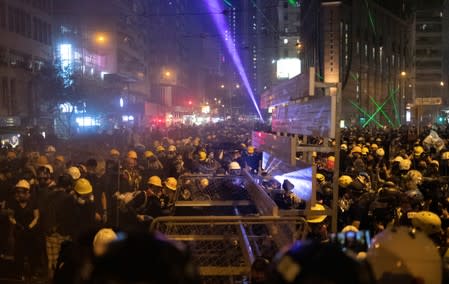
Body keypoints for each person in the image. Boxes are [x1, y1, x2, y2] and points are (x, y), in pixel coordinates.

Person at [5, 180, 41, 280]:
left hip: (31, 232)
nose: (19, 194)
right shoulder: (14, 203)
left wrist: (29, 227)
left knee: (32, 253)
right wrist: (17, 224)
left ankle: (33, 272)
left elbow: (36, 217)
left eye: (21, 192)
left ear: (27, 192)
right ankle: (20, 273)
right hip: (19, 231)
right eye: (18, 192)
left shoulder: (33, 202)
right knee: (19, 253)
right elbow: (10, 217)